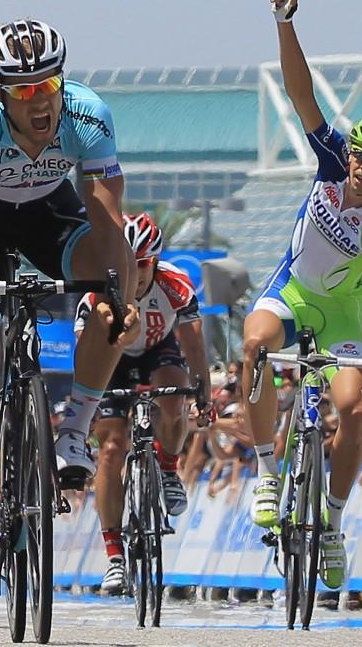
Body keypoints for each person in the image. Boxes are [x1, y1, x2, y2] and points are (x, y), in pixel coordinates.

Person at [0, 19, 135, 588]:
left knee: (114, 300)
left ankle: (74, 429)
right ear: (0, 94)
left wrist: (122, 294)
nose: (41, 101)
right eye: (24, 90)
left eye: (50, 85)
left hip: (51, 213)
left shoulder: (87, 115)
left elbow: (108, 221)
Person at [243, 0, 362, 591]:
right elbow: (301, 93)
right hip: (293, 292)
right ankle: (265, 469)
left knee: (352, 408)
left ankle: (332, 525)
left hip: (341, 317)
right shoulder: (333, 158)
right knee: (254, 345)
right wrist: (285, 23)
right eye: (361, 156)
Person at [82, 213, 213, 595]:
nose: (135, 273)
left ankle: (169, 471)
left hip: (159, 351)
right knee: (110, 449)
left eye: (142, 265)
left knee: (175, 400)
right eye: (128, 262)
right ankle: (114, 556)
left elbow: (194, 346)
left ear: (154, 261)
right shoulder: (100, 291)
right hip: (111, 356)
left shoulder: (175, 286)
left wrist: (202, 393)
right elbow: (86, 358)